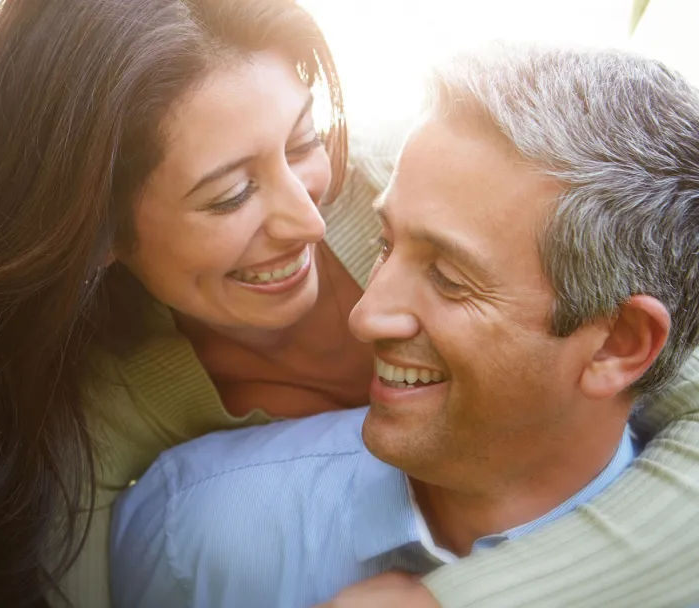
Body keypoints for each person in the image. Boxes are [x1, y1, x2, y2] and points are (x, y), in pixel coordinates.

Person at [0, 0, 699, 605]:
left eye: (302, 143)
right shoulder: (99, 403)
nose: (305, 216)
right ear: (97, 230)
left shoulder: (441, 192)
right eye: (228, 197)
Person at [109, 42, 699, 608]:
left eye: (447, 276)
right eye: (383, 243)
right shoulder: (188, 529)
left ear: (619, 344)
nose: (364, 316)